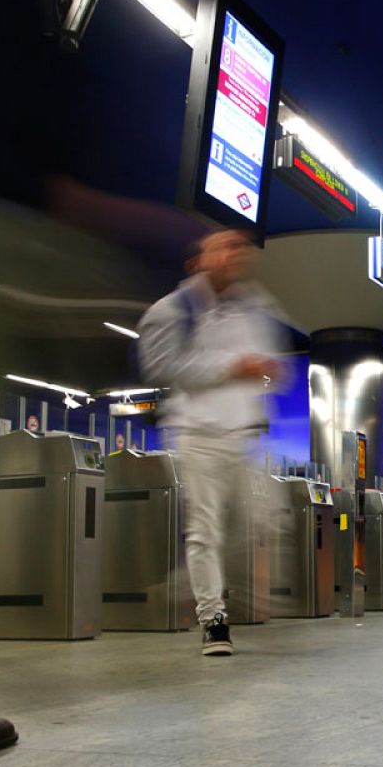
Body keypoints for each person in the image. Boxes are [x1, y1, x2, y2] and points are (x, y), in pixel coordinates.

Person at [138, 229, 286, 656]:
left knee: (260, 523)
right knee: (206, 531)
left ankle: (190, 582)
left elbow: (269, 369)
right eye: (223, 246)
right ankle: (213, 619)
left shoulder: (254, 307)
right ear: (197, 262)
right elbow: (161, 365)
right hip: (198, 435)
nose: (235, 253)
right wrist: (233, 367)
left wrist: (263, 377)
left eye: (239, 246)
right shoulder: (172, 310)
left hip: (240, 438)